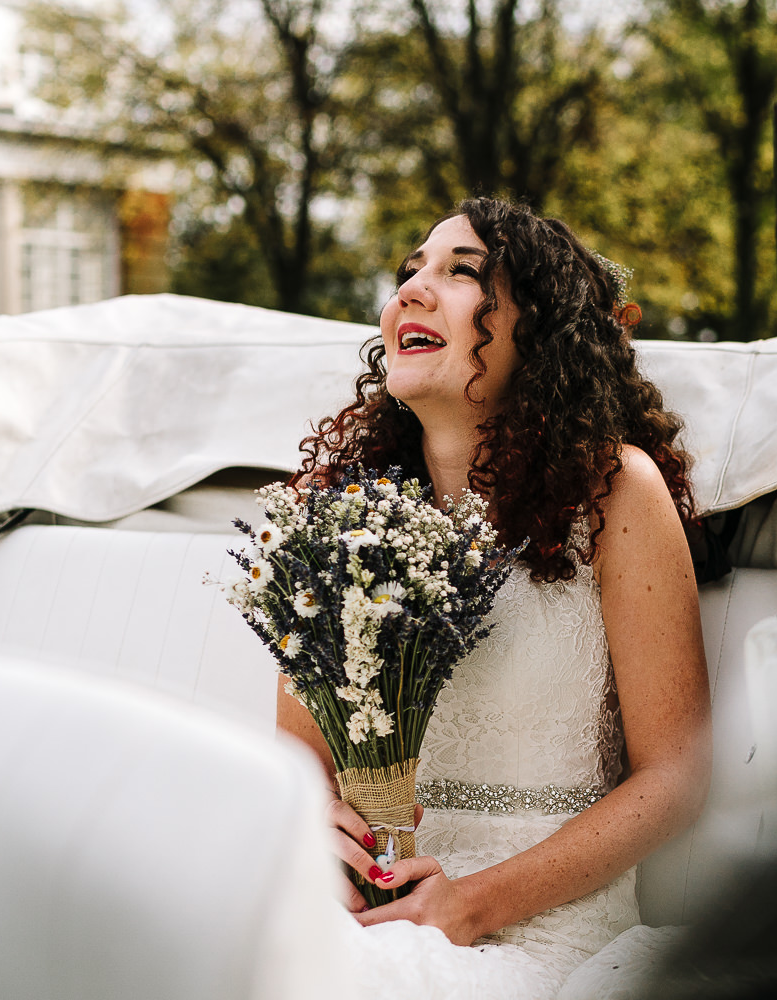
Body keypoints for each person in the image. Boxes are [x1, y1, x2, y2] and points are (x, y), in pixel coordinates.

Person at [278, 197, 712, 998]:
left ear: (538, 330)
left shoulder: (613, 493)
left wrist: (468, 907)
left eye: (460, 272)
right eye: (410, 272)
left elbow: (677, 775)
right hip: (370, 912)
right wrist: (311, 825)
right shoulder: (337, 511)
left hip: (547, 932)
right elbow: (298, 750)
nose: (411, 289)